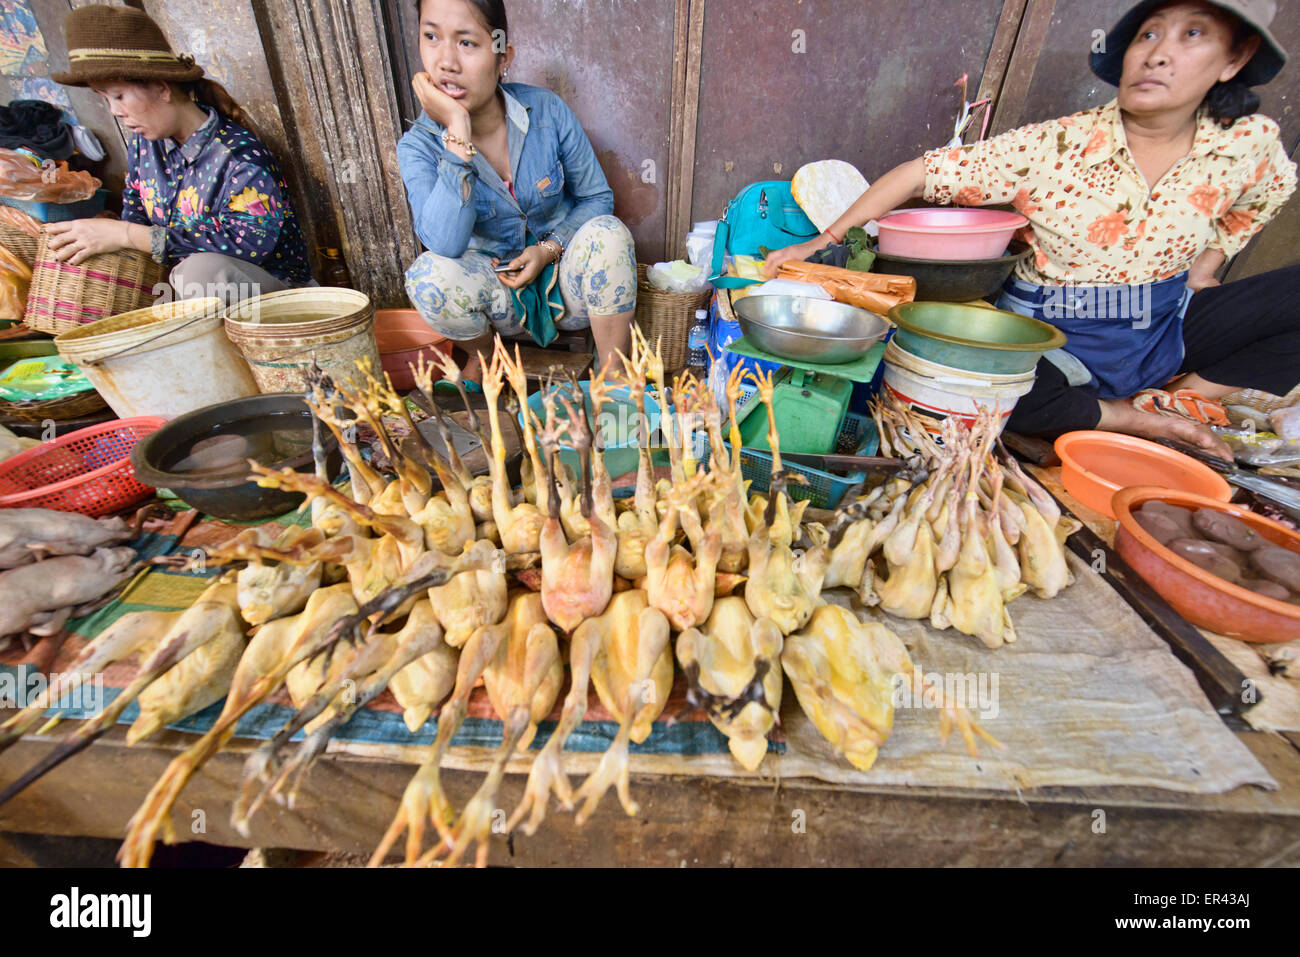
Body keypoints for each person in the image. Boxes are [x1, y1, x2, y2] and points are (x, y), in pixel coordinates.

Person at [765, 0, 1296, 458]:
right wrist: (823, 240)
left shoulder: (1245, 143)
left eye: (1193, 34)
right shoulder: (1056, 146)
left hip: (1165, 324)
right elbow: (920, 173)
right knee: (988, 398)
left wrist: (1205, 268)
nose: (1157, 53)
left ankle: (1186, 394)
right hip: (1060, 339)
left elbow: (1267, 193)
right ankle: (1142, 419)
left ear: (1236, 59)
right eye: (1148, 33)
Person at [398, 0, 637, 383]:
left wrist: (547, 250)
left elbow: (597, 198)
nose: (445, 62)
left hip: (566, 284)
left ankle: (614, 379)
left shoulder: (546, 111)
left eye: (466, 43)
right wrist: (457, 132)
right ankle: (489, 359)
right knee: (427, 277)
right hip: (496, 300)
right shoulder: (419, 146)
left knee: (609, 234)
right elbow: (444, 244)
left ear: (502, 56)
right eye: (431, 36)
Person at [45, 4, 312, 301]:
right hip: (196, 298)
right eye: (104, 97)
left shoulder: (239, 156)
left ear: (162, 88)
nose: (115, 111)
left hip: (276, 298)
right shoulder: (145, 145)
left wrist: (126, 235)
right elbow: (136, 208)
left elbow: (250, 242)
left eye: (119, 96)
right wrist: (106, 233)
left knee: (198, 272)